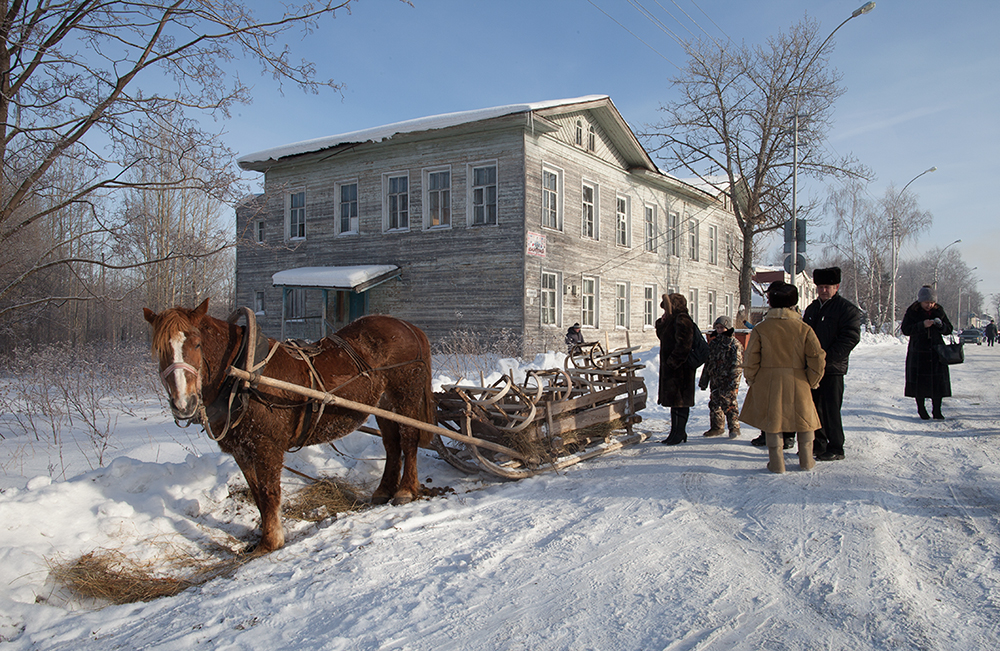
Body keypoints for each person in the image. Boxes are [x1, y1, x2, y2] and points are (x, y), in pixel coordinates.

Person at [739, 281, 826, 473]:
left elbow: (751, 357)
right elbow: (817, 357)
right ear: (793, 303)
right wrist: (813, 380)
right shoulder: (804, 328)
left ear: (771, 303)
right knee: (805, 420)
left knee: (773, 421)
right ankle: (806, 460)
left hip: (769, 381)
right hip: (799, 379)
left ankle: (777, 463)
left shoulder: (762, 328)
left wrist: (752, 378)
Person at [801, 267, 862, 462]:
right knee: (813, 407)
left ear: (836, 287)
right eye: (820, 287)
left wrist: (826, 358)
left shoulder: (846, 310)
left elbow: (850, 338)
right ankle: (818, 444)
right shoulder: (811, 309)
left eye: (827, 287)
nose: (823, 291)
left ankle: (836, 446)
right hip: (812, 368)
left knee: (831, 409)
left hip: (833, 368)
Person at [900, 285, 954, 420]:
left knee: (938, 383)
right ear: (920, 301)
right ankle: (922, 410)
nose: (929, 305)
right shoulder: (913, 311)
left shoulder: (939, 311)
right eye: (926, 302)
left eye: (932, 302)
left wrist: (941, 326)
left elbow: (949, 329)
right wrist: (922, 325)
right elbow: (906, 329)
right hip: (918, 351)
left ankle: (937, 410)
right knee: (920, 383)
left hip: (936, 352)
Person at [655, 293, 697, 445]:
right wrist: (662, 322)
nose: (664, 311)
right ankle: (675, 432)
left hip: (681, 370)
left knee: (681, 402)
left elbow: (684, 344)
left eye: (666, 308)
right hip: (674, 369)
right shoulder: (672, 320)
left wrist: (672, 363)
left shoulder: (682, 319)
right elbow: (664, 337)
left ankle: (680, 432)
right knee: (675, 403)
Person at [698, 315, 744, 438]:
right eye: (717, 328)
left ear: (728, 328)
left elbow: (737, 365)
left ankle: (734, 427)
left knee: (729, 403)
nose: (719, 330)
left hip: (728, 380)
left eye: (722, 328)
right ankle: (717, 427)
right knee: (714, 403)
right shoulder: (714, 344)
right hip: (715, 379)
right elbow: (708, 363)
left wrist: (734, 382)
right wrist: (704, 380)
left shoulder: (733, 344)